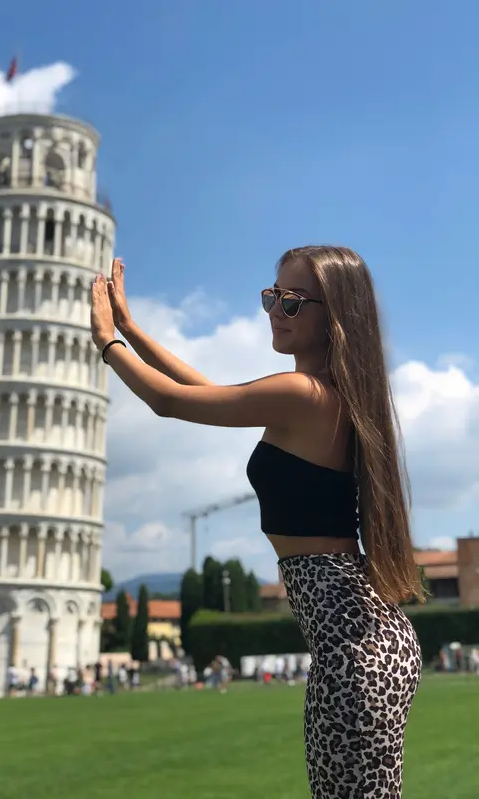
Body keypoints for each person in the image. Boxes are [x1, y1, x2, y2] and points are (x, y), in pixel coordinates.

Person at [91, 251, 423, 798]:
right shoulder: (320, 396)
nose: (276, 311)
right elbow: (204, 391)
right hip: (367, 640)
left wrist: (106, 340)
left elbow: (170, 402)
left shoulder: (302, 394)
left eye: (292, 302)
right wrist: (132, 329)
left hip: (351, 648)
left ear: (335, 315)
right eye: (272, 297)